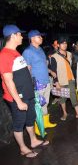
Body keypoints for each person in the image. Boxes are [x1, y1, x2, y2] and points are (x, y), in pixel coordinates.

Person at [0, 25, 49, 158]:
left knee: (30, 119)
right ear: (13, 36)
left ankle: (33, 141)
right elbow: (8, 80)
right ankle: (22, 148)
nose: (22, 37)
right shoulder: (4, 54)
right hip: (18, 97)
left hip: (28, 94)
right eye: (20, 34)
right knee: (19, 123)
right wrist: (18, 101)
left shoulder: (15, 52)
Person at [22, 30, 57, 136]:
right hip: (37, 84)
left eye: (41, 37)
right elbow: (26, 69)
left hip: (46, 81)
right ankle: (38, 127)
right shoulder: (28, 52)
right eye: (39, 37)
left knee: (45, 103)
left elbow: (44, 65)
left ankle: (46, 123)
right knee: (38, 106)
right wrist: (30, 85)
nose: (41, 38)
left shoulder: (40, 49)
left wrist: (50, 71)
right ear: (32, 39)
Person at [50, 37, 78, 121]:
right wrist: (56, 83)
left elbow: (72, 65)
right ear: (59, 45)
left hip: (70, 78)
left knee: (73, 95)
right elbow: (53, 71)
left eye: (66, 43)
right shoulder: (54, 57)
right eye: (63, 43)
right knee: (63, 98)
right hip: (61, 80)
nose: (65, 45)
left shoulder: (69, 54)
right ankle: (65, 113)